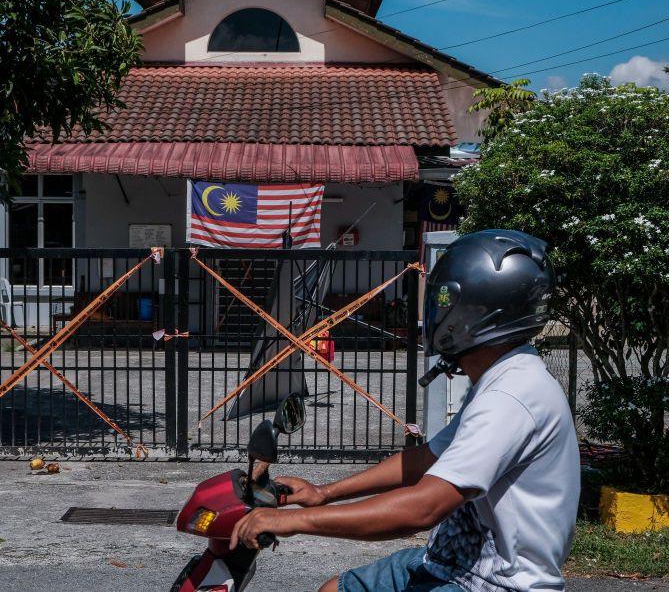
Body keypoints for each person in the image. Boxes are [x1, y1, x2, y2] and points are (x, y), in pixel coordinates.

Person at [230, 230, 580, 591]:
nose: (435, 310)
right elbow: (428, 458)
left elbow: (423, 509)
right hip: (450, 565)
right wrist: (324, 492)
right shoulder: (501, 377)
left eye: (446, 300)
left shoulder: (511, 397)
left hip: (494, 584)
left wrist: (294, 522)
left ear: (477, 312)